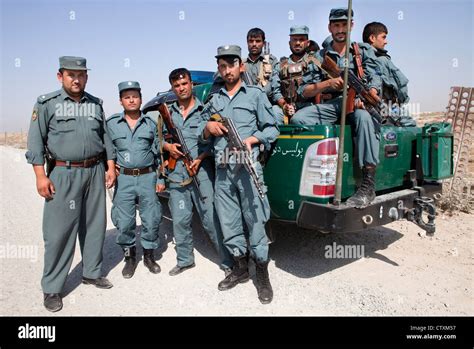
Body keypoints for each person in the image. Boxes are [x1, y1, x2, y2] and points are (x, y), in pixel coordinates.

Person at [26, 56, 116, 312]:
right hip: (64, 173)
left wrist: (110, 166)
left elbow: (105, 138)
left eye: (81, 75)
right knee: (58, 233)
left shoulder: (95, 104)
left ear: (86, 77)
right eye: (70, 75)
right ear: (60, 76)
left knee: (95, 225)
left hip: (95, 171)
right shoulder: (47, 104)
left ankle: (91, 272)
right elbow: (34, 142)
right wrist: (40, 175)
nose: (76, 79)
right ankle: (52, 287)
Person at [201, 45, 279, 304]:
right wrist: (208, 127)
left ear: (241, 66)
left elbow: (272, 128)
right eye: (222, 66)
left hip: (247, 168)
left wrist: (253, 139)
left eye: (231, 65)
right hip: (223, 171)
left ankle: (263, 276)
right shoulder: (214, 99)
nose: (226, 71)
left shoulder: (255, 95)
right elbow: (201, 134)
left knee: (256, 221)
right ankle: (240, 268)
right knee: (230, 223)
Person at [292, 8, 383, 208]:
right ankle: (313, 170)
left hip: (357, 104)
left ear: (351, 26)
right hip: (331, 105)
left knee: (365, 118)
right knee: (299, 119)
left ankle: (368, 183)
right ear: (330, 27)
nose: (340, 29)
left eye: (344, 25)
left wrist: (369, 94)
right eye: (336, 25)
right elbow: (303, 91)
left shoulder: (363, 51)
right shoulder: (320, 56)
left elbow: (376, 76)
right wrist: (327, 85)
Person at [160, 68, 233, 276]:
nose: (181, 88)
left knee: (211, 219)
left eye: (184, 84)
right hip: (177, 174)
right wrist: (168, 148)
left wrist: (201, 158)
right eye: (176, 85)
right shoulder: (167, 113)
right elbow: (157, 139)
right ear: (173, 88)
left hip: (201, 172)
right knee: (181, 219)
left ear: (191, 84)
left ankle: (228, 263)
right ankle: (184, 260)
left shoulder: (206, 111)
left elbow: (219, 141)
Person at [107, 81, 163, 279]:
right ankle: (130, 258)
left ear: (140, 98)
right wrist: (110, 170)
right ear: (121, 101)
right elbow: (109, 152)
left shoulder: (150, 123)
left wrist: (161, 178)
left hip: (148, 176)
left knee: (152, 218)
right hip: (124, 179)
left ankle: (149, 256)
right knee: (124, 221)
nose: (131, 100)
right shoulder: (112, 124)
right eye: (127, 97)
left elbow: (159, 152)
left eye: (135, 96)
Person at [361, 21, 416, 126]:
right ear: (372, 38)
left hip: (375, 107)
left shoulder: (362, 57)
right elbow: (401, 89)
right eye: (383, 37)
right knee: (410, 126)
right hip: (386, 107)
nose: (386, 42)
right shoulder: (381, 60)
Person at [271, 25, 320, 124]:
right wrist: (284, 106)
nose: (297, 43)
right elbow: (275, 90)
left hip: (307, 106)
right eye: (294, 40)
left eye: (301, 40)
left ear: (307, 43)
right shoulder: (280, 66)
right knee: (273, 112)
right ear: (290, 43)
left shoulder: (315, 62)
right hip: (285, 106)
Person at [243, 27, 279, 101]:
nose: (254, 44)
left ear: (263, 43)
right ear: (247, 42)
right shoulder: (241, 64)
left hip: (267, 102)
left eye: (258, 41)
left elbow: (272, 86)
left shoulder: (271, 61)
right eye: (251, 41)